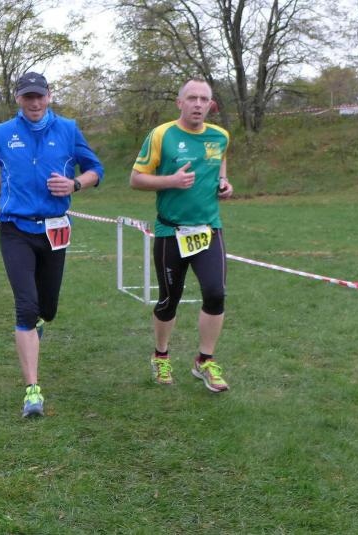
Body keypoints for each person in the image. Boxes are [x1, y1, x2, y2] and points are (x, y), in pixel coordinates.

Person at [0, 72, 104, 417]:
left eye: (39, 96)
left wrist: (75, 184)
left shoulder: (68, 129)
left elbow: (96, 169)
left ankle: (38, 323)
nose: (34, 103)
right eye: (27, 97)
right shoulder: (3, 132)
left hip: (54, 229)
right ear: (18, 98)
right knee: (26, 307)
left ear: (49, 96)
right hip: (15, 228)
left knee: (47, 308)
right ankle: (32, 390)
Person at [129, 79, 233, 393]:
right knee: (168, 299)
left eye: (204, 99)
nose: (198, 104)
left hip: (208, 229)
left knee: (215, 293)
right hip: (170, 232)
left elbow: (220, 161)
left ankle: (205, 360)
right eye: (192, 98)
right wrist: (171, 181)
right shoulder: (162, 135)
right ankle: (161, 355)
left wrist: (224, 182)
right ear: (180, 103)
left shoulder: (220, 136)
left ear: (210, 104)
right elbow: (136, 179)